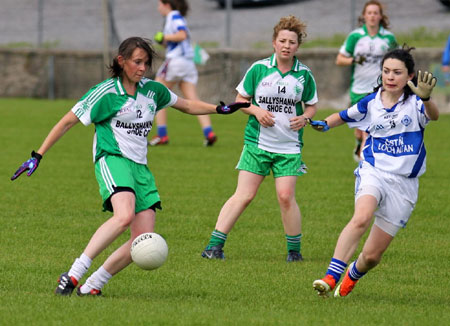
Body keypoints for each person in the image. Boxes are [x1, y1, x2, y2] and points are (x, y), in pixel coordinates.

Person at [10, 37, 248, 296]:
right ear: (121, 61)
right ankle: (73, 274)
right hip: (112, 159)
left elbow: (187, 105)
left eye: (146, 63)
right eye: (137, 62)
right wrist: (38, 155)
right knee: (123, 216)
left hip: (140, 168)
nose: (142, 68)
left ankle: (93, 284)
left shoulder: (153, 91)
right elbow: (68, 121)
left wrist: (220, 108)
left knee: (141, 240)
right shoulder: (107, 92)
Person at [310, 46, 439, 298]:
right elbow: (345, 115)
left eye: (397, 73)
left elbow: (433, 116)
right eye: (386, 71)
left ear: (409, 77)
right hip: (374, 171)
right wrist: (324, 124)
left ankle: (351, 276)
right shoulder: (372, 102)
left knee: (371, 256)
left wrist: (426, 98)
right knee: (361, 218)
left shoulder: (415, 103)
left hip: (404, 185)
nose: (391, 77)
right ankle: (330, 276)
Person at [201, 15, 318, 262]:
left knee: (286, 197)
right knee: (244, 195)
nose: (287, 45)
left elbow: (311, 106)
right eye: (282, 40)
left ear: (298, 46)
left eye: (292, 42)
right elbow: (240, 100)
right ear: (274, 42)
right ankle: (214, 247)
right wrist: (255, 110)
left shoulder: (304, 75)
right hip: (257, 143)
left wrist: (305, 118)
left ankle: (294, 253)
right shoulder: (259, 69)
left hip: (289, 146)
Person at [149, 0, 216, 147]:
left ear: (167, 5)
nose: (158, 7)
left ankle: (162, 135)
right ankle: (209, 132)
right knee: (193, 99)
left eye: (160, 4)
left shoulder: (173, 16)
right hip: (187, 63)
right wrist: (164, 42)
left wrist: (164, 37)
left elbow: (182, 35)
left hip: (176, 62)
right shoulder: (176, 17)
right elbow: (178, 39)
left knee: (157, 94)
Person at [336, 0, 397, 161]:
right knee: (359, 130)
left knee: (368, 130)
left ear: (380, 16)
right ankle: (359, 143)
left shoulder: (388, 38)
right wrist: (354, 60)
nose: (372, 16)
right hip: (358, 90)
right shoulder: (355, 36)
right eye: (369, 13)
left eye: (375, 13)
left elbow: (398, 60)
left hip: (379, 90)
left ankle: (366, 162)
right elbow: (340, 59)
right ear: (364, 16)